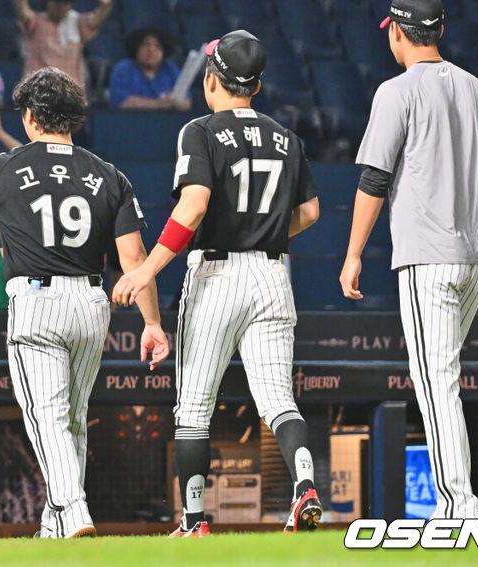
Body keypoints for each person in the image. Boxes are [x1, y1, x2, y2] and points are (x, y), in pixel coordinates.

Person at [0, 66, 171, 538]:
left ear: (30, 117)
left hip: (37, 302)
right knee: (73, 417)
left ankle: (73, 510)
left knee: (47, 416)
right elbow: (133, 259)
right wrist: (152, 323)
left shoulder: (5, 166)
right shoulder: (109, 174)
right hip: (93, 303)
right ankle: (56, 527)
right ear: (72, 119)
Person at [112, 30, 323, 536]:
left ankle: (193, 520)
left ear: (211, 81)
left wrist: (145, 270)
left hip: (218, 273)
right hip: (273, 274)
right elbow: (311, 212)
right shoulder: (285, 136)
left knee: (194, 408)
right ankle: (305, 486)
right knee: (278, 400)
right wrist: (267, 231)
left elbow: (194, 204)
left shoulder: (199, 131)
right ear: (258, 85)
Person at [340, 0, 478, 520]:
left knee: (434, 381)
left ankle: (458, 506)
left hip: (429, 261)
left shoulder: (396, 91)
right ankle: (460, 500)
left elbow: (374, 179)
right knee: (443, 375)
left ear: (397, 32)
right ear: (438, 30)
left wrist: (353, 253)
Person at [14, 0, 113, 89]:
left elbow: (99, 15)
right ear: (47, 3)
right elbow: (22, 8)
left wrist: (105, 4)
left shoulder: (77, 23)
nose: (61, 7)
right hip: (39, 91)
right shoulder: (35, 22)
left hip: (70, 94)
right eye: (57, 2)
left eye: (65, 3)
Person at [110, 27, 191, 111]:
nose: (151, 50)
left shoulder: (171, 69)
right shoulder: (123, 69)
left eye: (158, 46)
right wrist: (159, 104)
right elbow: (122, 102)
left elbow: (187, 103)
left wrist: (176, 101)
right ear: (136, 48)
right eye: (146, 45)